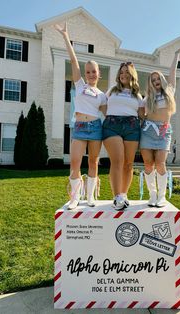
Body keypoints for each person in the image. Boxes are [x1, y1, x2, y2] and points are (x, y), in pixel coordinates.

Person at [55, 23, 107, 209]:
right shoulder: (80, 85)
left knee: (93, 162)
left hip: (95, 128)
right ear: (85, 74)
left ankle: (91, 196)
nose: (91, 74)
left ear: (98, 74)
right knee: (75, 162)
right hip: (79, 127)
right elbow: (73, 61)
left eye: (94, 72)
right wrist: (65, 37)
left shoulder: (102, 95)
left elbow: (109, 113)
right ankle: (75, 197)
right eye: (88, 72)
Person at [140, 47, 180, 207]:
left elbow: (173, 73)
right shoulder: (147, 97)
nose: (155, 82)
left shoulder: (169, 91)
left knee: (160, 163)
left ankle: (161, 196)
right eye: (153, 80)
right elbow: (140, 112)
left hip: (163, 131)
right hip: (147, 131)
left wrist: (176, 54)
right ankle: (152, 195)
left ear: (162, 79)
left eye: (157, 79)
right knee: (148, 164)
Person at [102, 62, 144, 210]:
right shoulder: (112, 91)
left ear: (132, 75)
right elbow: (101, 105)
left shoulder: (137, 95)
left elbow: (142, 114)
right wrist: (110, 117)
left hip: (132, 126)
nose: (123, 75)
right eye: (121, 72)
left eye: (126, 72)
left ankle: (123, 195)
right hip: (112, 126)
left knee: (128, 164)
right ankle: (117, 196)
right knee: (118, 160)